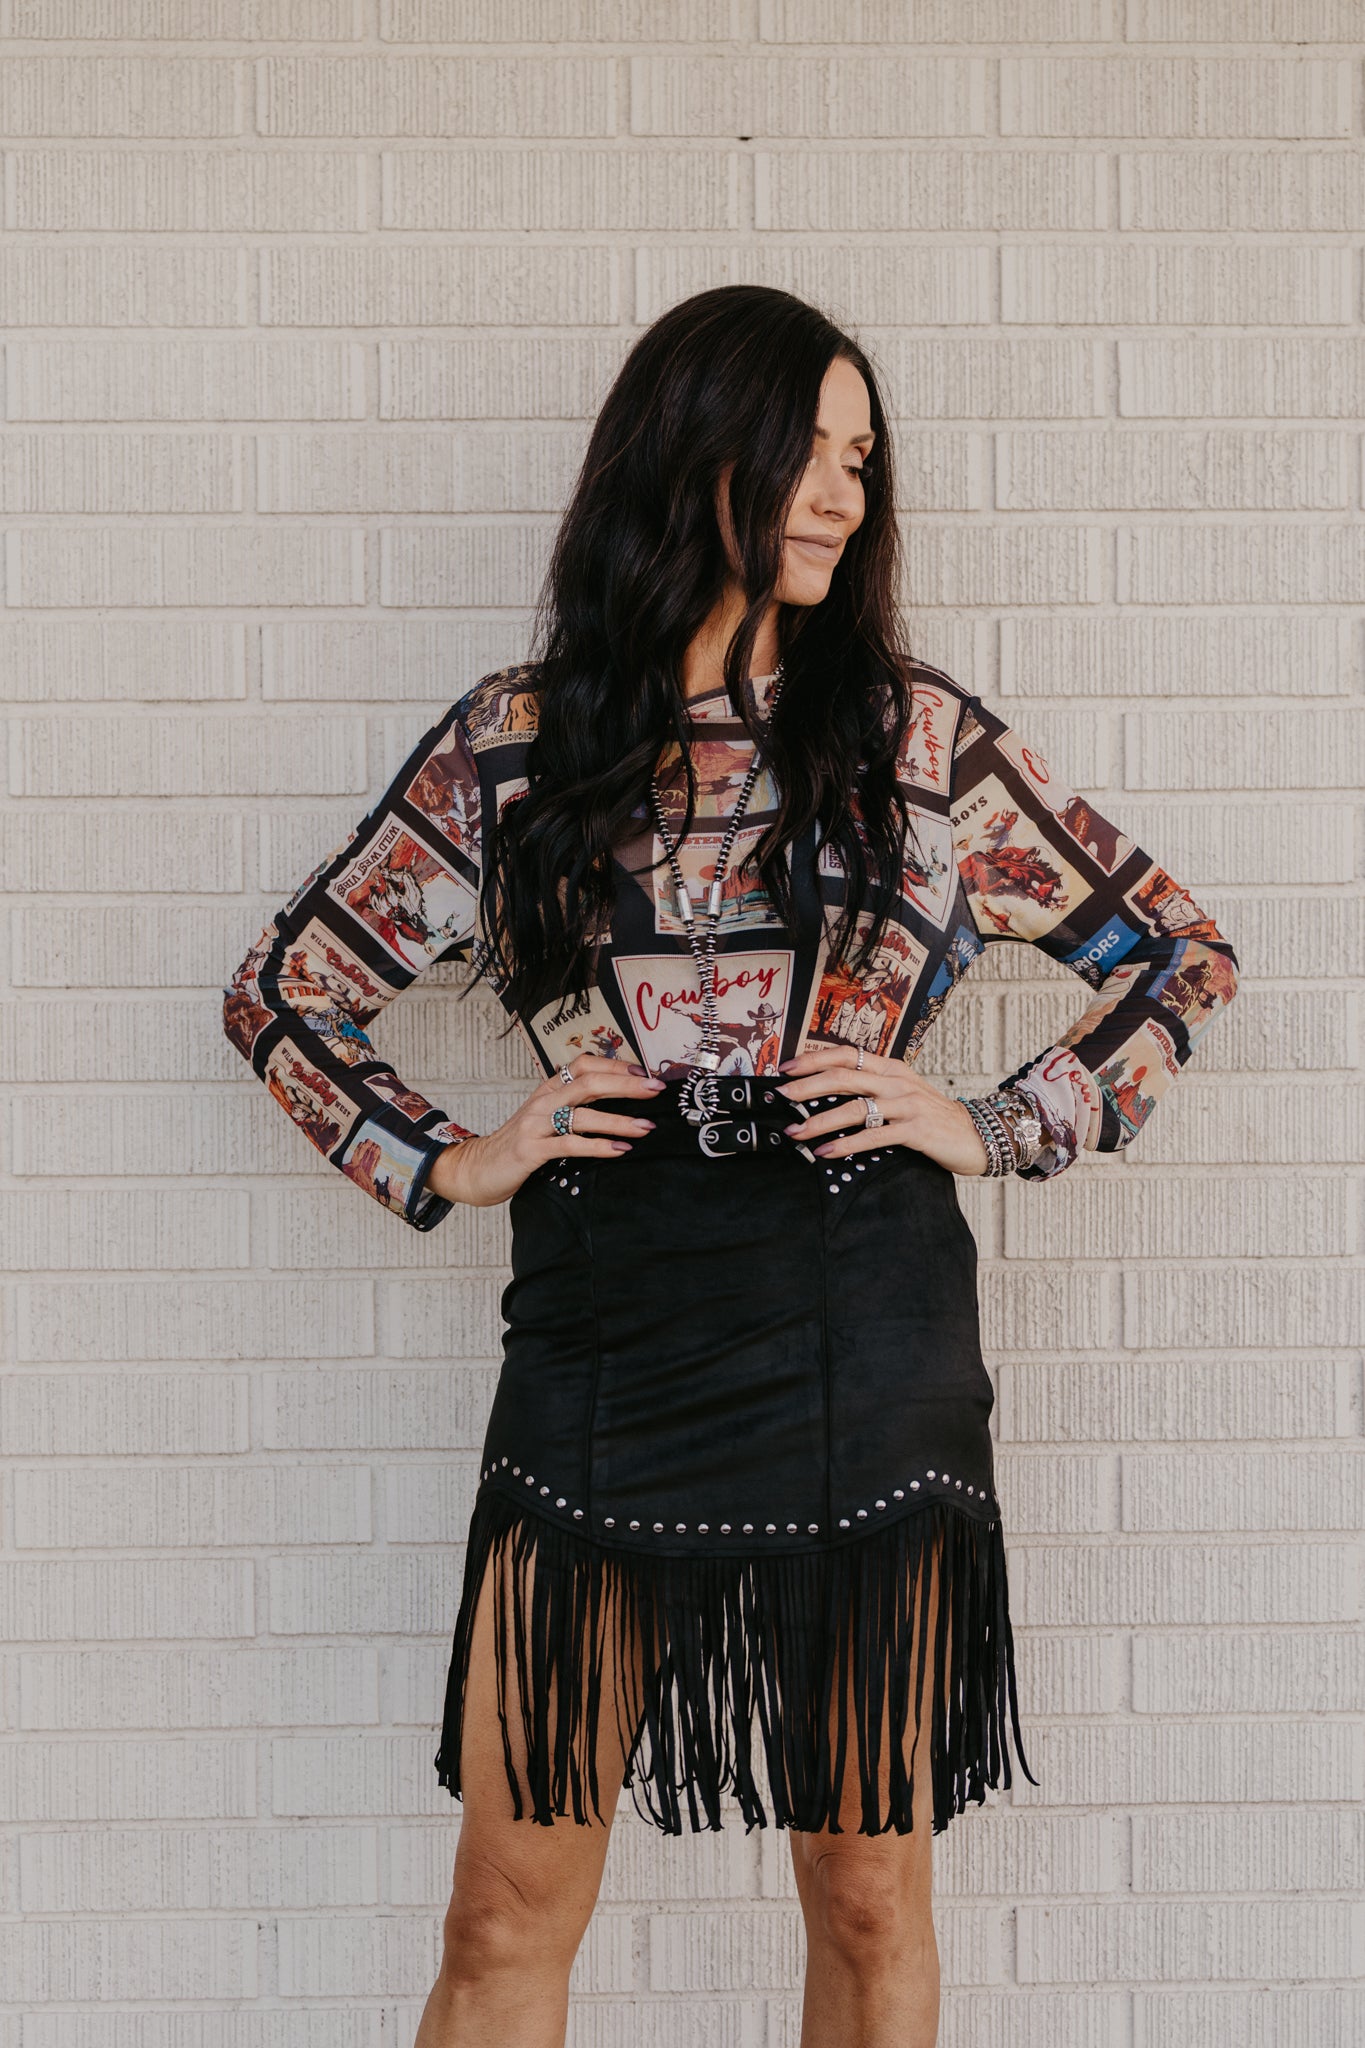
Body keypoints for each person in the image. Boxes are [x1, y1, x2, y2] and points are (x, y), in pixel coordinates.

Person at [223, 285, 1238, 2048]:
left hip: (864, 1321)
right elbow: (283, 992)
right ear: (696, 455)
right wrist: (456, 1157)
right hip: (605, 1328)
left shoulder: (917, 741)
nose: (845, 493)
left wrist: (991, 1122)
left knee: (864, 1888)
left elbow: (1178, 954)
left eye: (862, 458)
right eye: (809, 453)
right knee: (503, 1904)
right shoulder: (513, 744)